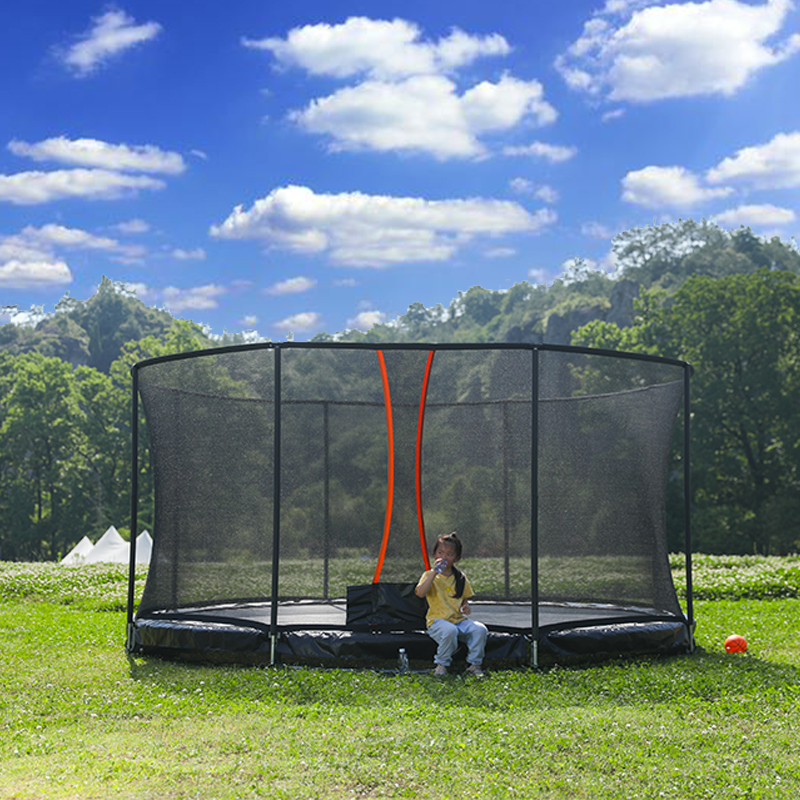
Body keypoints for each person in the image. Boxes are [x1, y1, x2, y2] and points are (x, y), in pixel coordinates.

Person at [415, 531, 487, 676]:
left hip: (458, 621)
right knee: (450, 630)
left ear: (456, 558)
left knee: (480, 629)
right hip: (437, 622)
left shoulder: (460, 577)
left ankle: (474, 665)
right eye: (440, 553)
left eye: (449, 554)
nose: (444, 557)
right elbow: (420, 593)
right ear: (434, 554)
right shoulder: (429, 575)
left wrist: (466, 605)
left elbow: (464, 597)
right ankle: (441, 665)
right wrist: (434, 573)